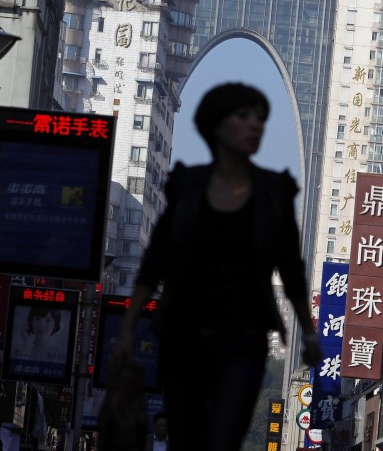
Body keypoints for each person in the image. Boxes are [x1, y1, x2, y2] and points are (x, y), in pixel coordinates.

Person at [113, 83, 322, 451]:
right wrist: (128, 327)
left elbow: (291, 268)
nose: (255, 125)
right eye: (243, 116)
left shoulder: (274, 192)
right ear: (216, 125)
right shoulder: (188, 186)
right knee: (187, 436)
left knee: (224, 440)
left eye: (260, 117)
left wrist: (307, 333)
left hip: (245, 338)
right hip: (184, 336)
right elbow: (155, 261)